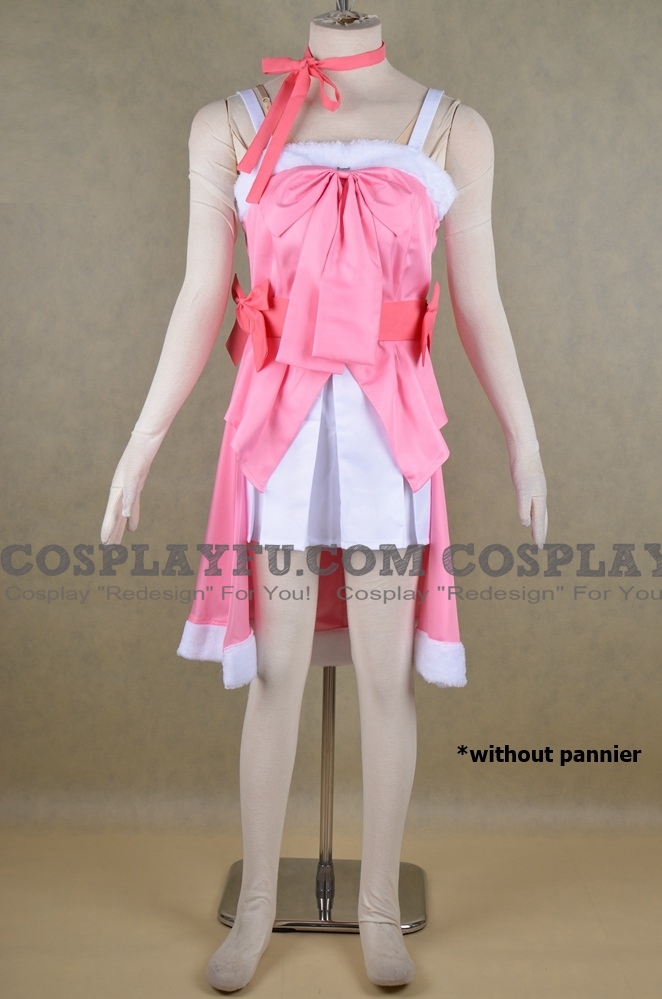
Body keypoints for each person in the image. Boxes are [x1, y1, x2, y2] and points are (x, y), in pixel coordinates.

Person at [101, 7, 547, 991]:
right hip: (279, 436)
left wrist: (525, 439)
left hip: (391, 437)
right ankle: (259, 906)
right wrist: (141, 442)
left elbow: (478, 301)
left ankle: (379, 909)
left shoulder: (452, 128)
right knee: (276, 673)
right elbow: (201, 293)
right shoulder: (227, 124)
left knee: (385, 680)